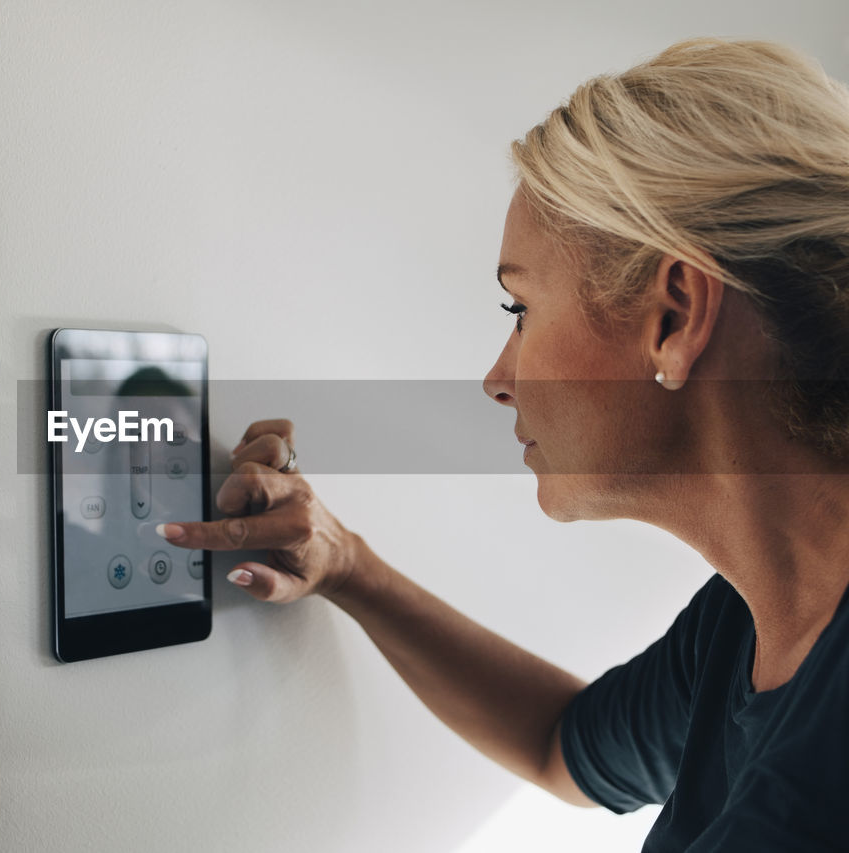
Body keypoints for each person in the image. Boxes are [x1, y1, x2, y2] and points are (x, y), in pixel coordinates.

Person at [157, 38, 849, 851]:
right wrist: (346, 565)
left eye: (518, 309)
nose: (498, 376)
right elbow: (561, 743)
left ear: (673, 316)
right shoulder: (749, 621)